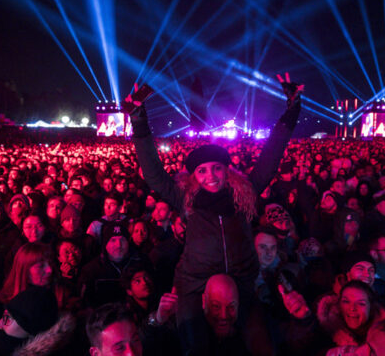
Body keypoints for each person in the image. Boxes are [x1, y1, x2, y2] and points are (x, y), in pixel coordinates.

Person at [127, 75, 303, 355]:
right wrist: (138, 120)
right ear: (194, 176)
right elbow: (154, 175)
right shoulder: (186, 199)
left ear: (226, 170)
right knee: (195, 347)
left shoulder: (244, 193)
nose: (211, 175)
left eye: (216, 168)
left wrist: (291, 110)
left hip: (242, 282)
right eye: (202, 171)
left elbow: (270, 158)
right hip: (195, 284)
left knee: (261, 346)